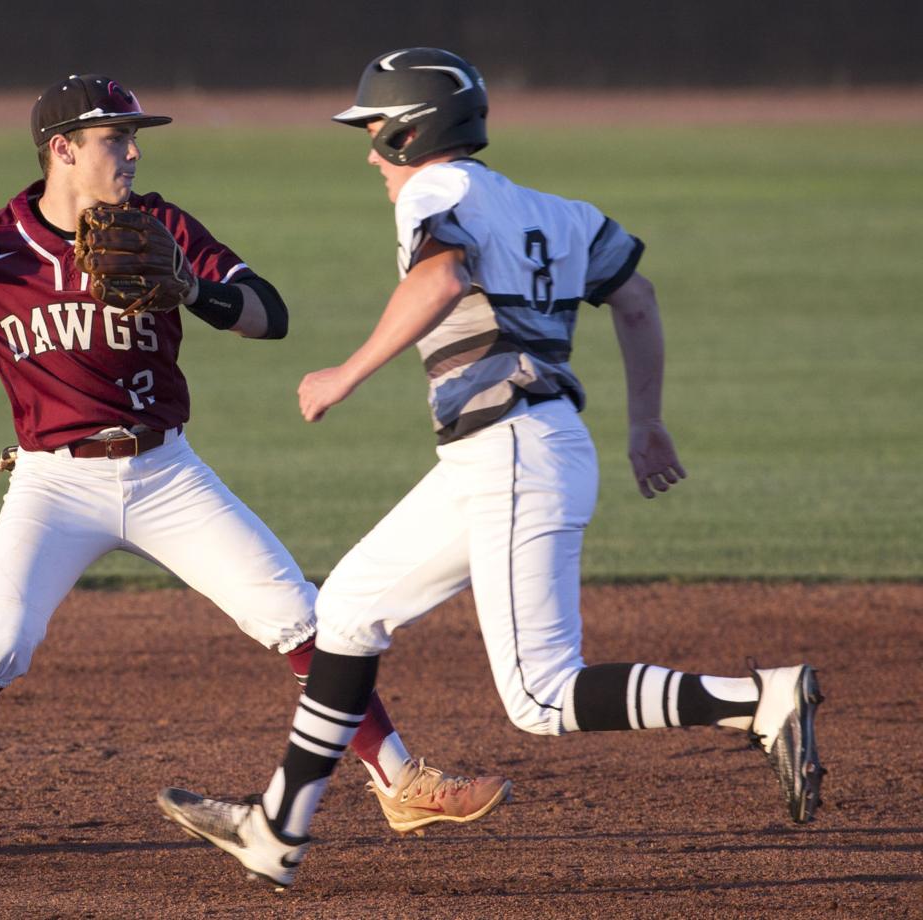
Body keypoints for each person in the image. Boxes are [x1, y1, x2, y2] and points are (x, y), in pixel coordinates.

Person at [156, 48, 826, 889]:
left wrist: (345, 375)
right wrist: (646, 423)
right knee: (348, 611)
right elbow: (637, 298)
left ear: (409, 132)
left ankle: (760, 700)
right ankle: (275, 830)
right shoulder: (559, 211)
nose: (370, 154)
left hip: (512, 452)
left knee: (543, 697)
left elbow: (441, 277)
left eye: (374, 129)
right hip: (505, 453)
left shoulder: (432, 192)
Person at [0, 73, 511, 859]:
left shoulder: (161, 226)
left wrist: (190, 288)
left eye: (133, 137)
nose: (133, 152)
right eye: (115, 138)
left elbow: (269, 315)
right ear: (62, 150)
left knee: (301, 617)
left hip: (165, 474)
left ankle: (401, 780)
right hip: (54, 482)